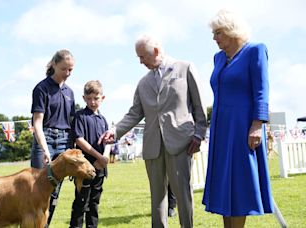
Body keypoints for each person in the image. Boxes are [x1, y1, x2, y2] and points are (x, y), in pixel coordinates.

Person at [99, 35, 207, 227]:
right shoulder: (143, 82)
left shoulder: (185, 68)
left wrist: (199, 133)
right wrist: (115, 132)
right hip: (153, 146)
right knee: (157, 196)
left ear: (156, 51)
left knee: (183, 194)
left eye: (143, 56)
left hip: (182, 143)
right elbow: (134, 113)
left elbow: (199, 106)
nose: (140, 61)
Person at [202, 9, 274, 228]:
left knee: (240, 183)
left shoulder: (255, 51)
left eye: (218, 33)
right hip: (221, 128)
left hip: (244, 127)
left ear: (232, 31)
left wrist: (256, 125)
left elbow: (261, 91)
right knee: (224, 185)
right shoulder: (218, 58)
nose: (214, 38)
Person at [30, 49, 76, 226]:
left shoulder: (69, 92)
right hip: (45, 139)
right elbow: (37, 122)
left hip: (64, 141)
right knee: (38, 189)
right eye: (64, 69)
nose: (67, 73)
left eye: (71, 70)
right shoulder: (41, 88)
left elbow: (72, 122)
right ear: (54, 64)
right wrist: (44, 148)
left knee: (55, 191)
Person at [69, 80, 109, 228]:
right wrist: (98, 157)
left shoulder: (103, 120)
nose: (92, 102)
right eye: (89, 98)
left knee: (94, 202)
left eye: (96, 98)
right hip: (84, 168)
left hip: (100, 168)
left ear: (102, 98)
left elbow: (108, 142)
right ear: (84, 98)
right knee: (81, 202)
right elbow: (79, 139)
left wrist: (103, 159)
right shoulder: (80, 116)